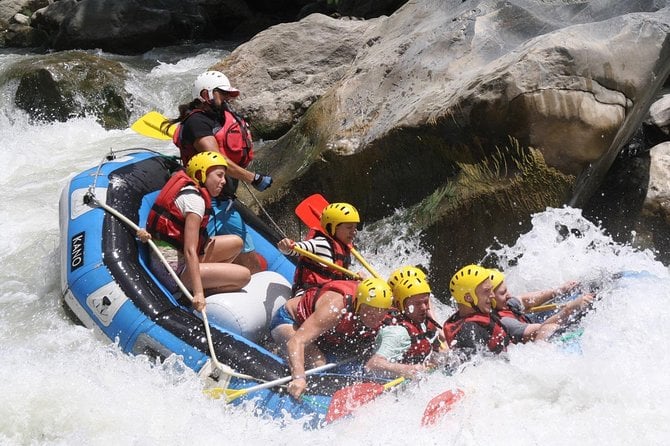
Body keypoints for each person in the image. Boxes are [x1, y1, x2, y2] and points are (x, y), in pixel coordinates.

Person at [167, 70, 272, 274]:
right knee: (196, 255)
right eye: (222, 94)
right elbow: (217, 160)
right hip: (205, 202)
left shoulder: (220, 117)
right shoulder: (196, 123)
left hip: (224, 201)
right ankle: (189, 288)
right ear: (205, 94)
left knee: (250, 260)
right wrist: (253, 178)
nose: (226, 99)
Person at [142, 151, 251, 311]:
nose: (224, 181)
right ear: (201, 174)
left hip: (180, 257)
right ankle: (192, 293)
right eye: (219, 175)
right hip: (174, 272)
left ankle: (205, 280)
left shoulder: (191, 190)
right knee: (244, 276)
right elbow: (190, 250)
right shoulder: (195, 201)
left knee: (237, 243)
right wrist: (199, 293)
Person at [269, 277, 394, 400]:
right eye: (370, 312)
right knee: (318, 362)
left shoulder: (383, 312)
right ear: (359, 304)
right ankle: (277, 352)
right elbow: (296, 342)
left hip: (322, 335)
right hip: (290, 322)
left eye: (380, 313)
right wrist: (299, 378)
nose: (375, 318)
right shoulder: (336, 308)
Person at [364, 269, 443, 379]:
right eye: (417, 304)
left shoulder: (421, 320)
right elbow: (372, 365)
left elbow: (437, 348)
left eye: (425, 302)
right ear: (401, 305)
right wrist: (406, 369)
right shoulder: (397, 333)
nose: (424, 308)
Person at [277, 202, 361, 297]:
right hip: (307, 295)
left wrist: (355, 279)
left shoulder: (344, 248)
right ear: (332, 227)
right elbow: (294, 249)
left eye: (355, 227)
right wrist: (285, 245)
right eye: (349, 227)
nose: (354, 232)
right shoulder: (320, 243)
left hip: (329, 295)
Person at [488, 269, 594, 343]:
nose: (509, 295)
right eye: (503, 293)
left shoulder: (504, 304)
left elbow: (523, 300)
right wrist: (570, 309)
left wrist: (558, 291)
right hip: (539, 336)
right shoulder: (505, 322)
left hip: (531, 321)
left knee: (578, 290)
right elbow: (543, 329)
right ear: (490, 298)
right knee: (583, 308)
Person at [442, 264, 511, 358]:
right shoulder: (469, 332)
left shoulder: (483, 312)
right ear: (468, 298)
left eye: (491, 290)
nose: (492, 295)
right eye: (486, 291)